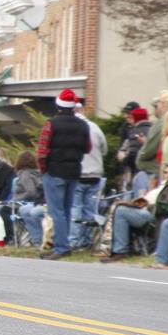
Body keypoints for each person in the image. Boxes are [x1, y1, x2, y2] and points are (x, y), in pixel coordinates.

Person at [101, 157, 168, 262]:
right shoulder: (167, 184)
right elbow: (148, 200)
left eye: (167, 172)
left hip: (153, 215)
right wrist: (131, 203)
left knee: (120, 211)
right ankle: (114, 248)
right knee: (118, 207)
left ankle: (120, 251)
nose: (164, 174)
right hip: (145, 209)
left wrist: (136, 205)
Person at [36, 88, 90, 260]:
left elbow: (42, 152)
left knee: (56, 211)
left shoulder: (51, 124)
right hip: (74, 171)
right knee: (66, 211)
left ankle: (61, 247)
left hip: (53, 171)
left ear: (58, 105)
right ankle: (64, 243)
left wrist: (44, 170)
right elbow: (87, 148)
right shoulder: (83, 125)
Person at [0, 150, 43, 246]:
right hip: (26, 202)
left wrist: (15, 200)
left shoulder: (25, 175)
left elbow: (30, 192)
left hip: (23, 203)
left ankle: (7, 238)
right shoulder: (35, 174)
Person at [70, 102, 108, 249]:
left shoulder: (73, 128)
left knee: (75, 208)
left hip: (78, 174)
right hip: (95, 174)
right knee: (90, 210)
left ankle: (74, 241)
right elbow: (104, 150)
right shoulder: (95, 127)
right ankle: (87, 241)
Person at [135, 89, 168, 186]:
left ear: (163, 105)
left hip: (160, 171)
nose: (155, 109)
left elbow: (147, 151)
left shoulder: (162, 123)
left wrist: (140, 158)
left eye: (157, 105)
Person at [117, 107, 152, 195]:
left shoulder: (135, 131)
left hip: (136, 171)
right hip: (150, 170)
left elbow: (133, 153)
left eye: (131, 118)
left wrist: (123, 159)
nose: (130, 121)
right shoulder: (152, 129)